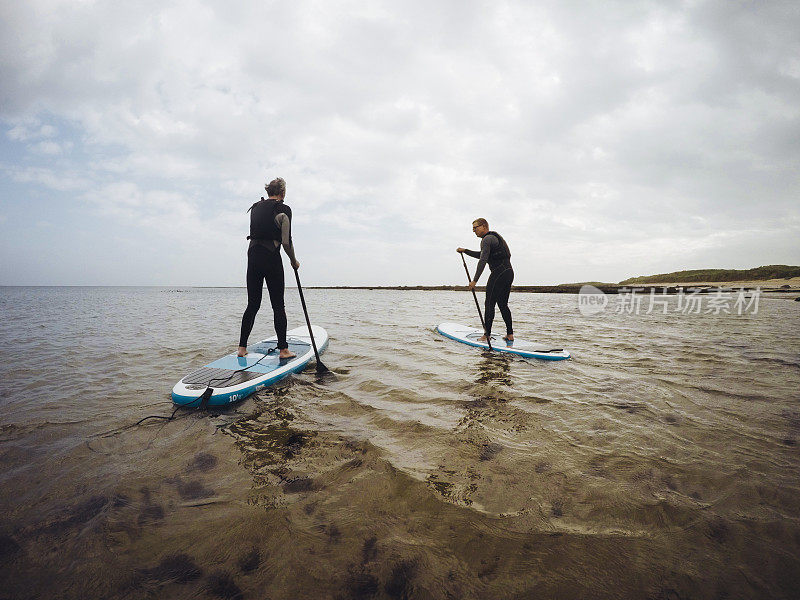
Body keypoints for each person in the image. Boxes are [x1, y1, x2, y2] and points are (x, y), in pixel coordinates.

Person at [238, 177, 300, 359]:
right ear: (282, 192)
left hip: (253, 257)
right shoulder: (284, 209)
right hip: (271, 257)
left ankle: (241, 348)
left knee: (252, 304)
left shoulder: (255, 207)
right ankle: (284, 350)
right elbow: (286, 242)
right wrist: (293, 261)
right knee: (278, 306)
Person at [457, 218, 514, 343]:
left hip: (498, 273)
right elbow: (483, 254)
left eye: (475, 228)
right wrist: (465, 251)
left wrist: (474, 281)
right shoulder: (494, 238)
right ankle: (510, 334)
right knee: (503, 305)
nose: (474, 231)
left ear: (484, 226)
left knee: (489, 304)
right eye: (472, 229)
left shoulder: (486, 239)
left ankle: (486, 335)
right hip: (508, 272)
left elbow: (483, 260)